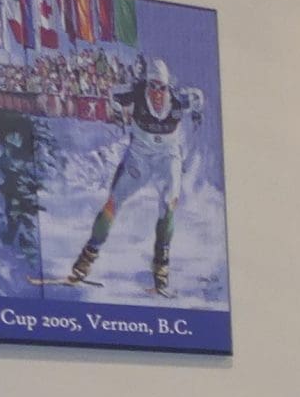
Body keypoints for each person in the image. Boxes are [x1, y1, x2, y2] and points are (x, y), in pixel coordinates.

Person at [66, 53, 205, 294]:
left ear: (168, 87)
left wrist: (196, 114)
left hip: (167, 158)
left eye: (161, 88)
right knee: (113, 202)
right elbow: (112, 94)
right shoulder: (136, 92)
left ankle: (161, 269)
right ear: (146, 85)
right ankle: (86, 258)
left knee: (169, 204)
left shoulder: (180, 98)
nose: (157, 93)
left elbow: (198, 98)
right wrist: (118, 111)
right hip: (139, 158)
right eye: (152, 87)